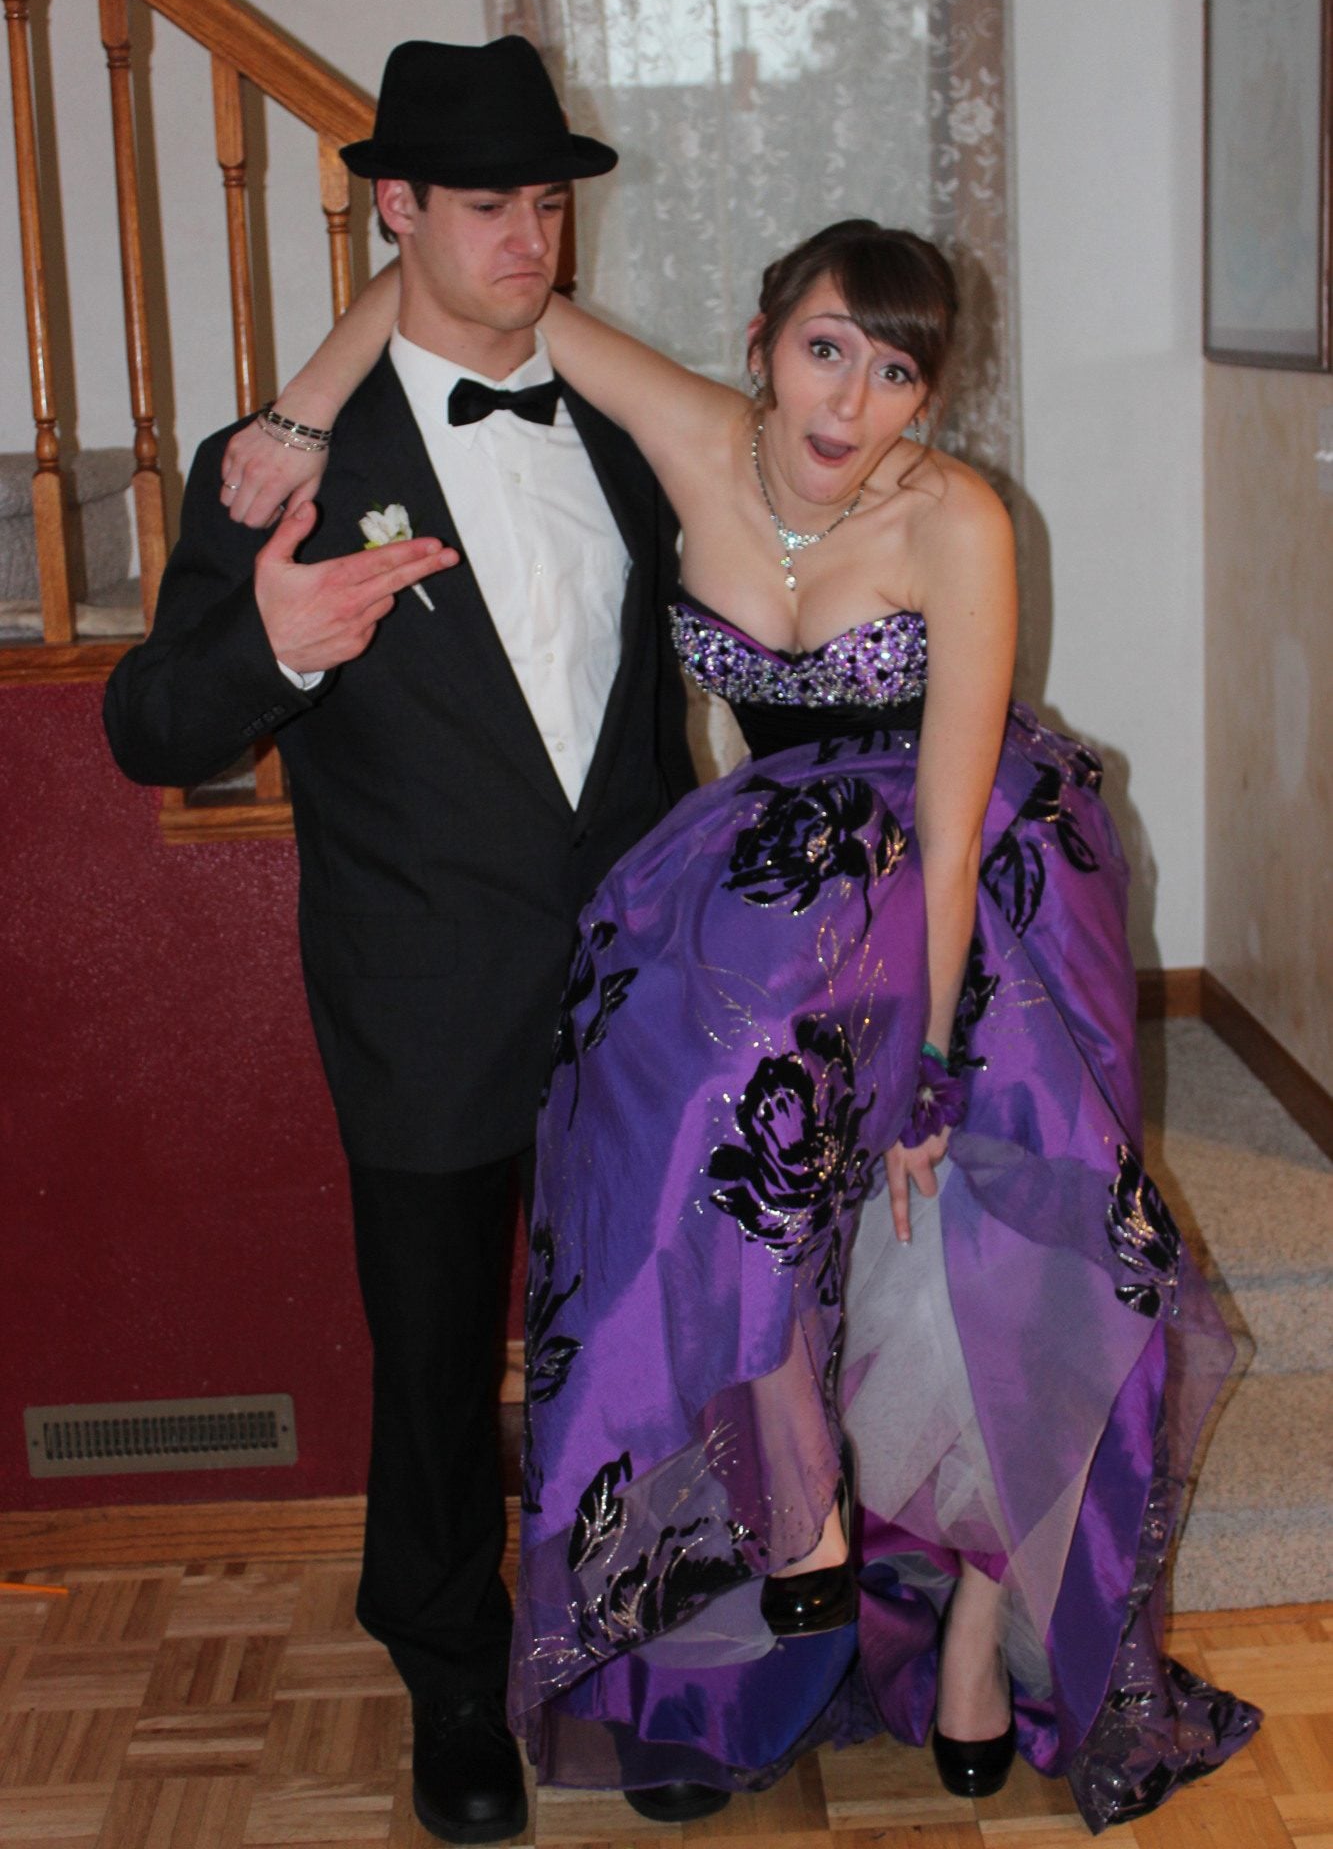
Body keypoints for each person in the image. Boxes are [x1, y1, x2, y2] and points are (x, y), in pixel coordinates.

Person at [230, 215, 1262, 1835]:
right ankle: (774, 1517)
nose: (851, 401)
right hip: (776, 866)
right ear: (764, 339)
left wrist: (929, 1073)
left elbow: (946, 826)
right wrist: (299, 411)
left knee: (1000, 1238)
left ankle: (978, 1625)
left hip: (965, 878)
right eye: (825, 350)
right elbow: (449, 272)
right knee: (676, 1127)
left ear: (929, 395)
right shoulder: (693, 433)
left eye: (896, 372)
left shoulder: (954, 517)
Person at [103, 35, 693, 1848]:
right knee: (436, 1367)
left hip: (635, 984)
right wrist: (271, 646)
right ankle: (448, 1674)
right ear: (398, 213)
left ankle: (646, 1651)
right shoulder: (283, 463)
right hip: (423, 995)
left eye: (547, 206)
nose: (529, 240)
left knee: (645, 1342)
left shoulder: (624, 432)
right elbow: (149, 726)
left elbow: (658, 716)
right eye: (487, 205)